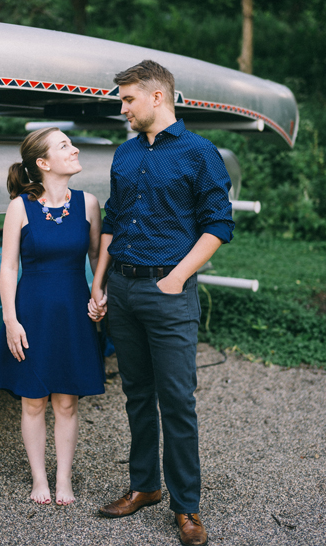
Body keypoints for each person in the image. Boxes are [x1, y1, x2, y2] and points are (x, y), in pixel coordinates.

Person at [88, 60, 233, 546]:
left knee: (176, 401)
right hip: (123, 290)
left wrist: (176, 278)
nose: (123, 108)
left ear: (157, 97)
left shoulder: (199, 153)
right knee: (135, 395)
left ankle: (186, 508)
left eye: (128, 99)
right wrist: (100, 282)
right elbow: (113, 219)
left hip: (169, 291)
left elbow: (218, 226)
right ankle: (145, 485)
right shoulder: (124, 155)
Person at [0, 127, 105, 506]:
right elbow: (7, 268)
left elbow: (96, 258)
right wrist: (10, 320)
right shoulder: (20, 207)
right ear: (43, 163)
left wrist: (101, 293)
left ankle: (64, 479)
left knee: (67, 400)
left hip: (73, 311)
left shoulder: (88, 203)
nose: (75, 149)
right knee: (33, 399)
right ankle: (39, 478)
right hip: (31, 311)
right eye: (65, 145)